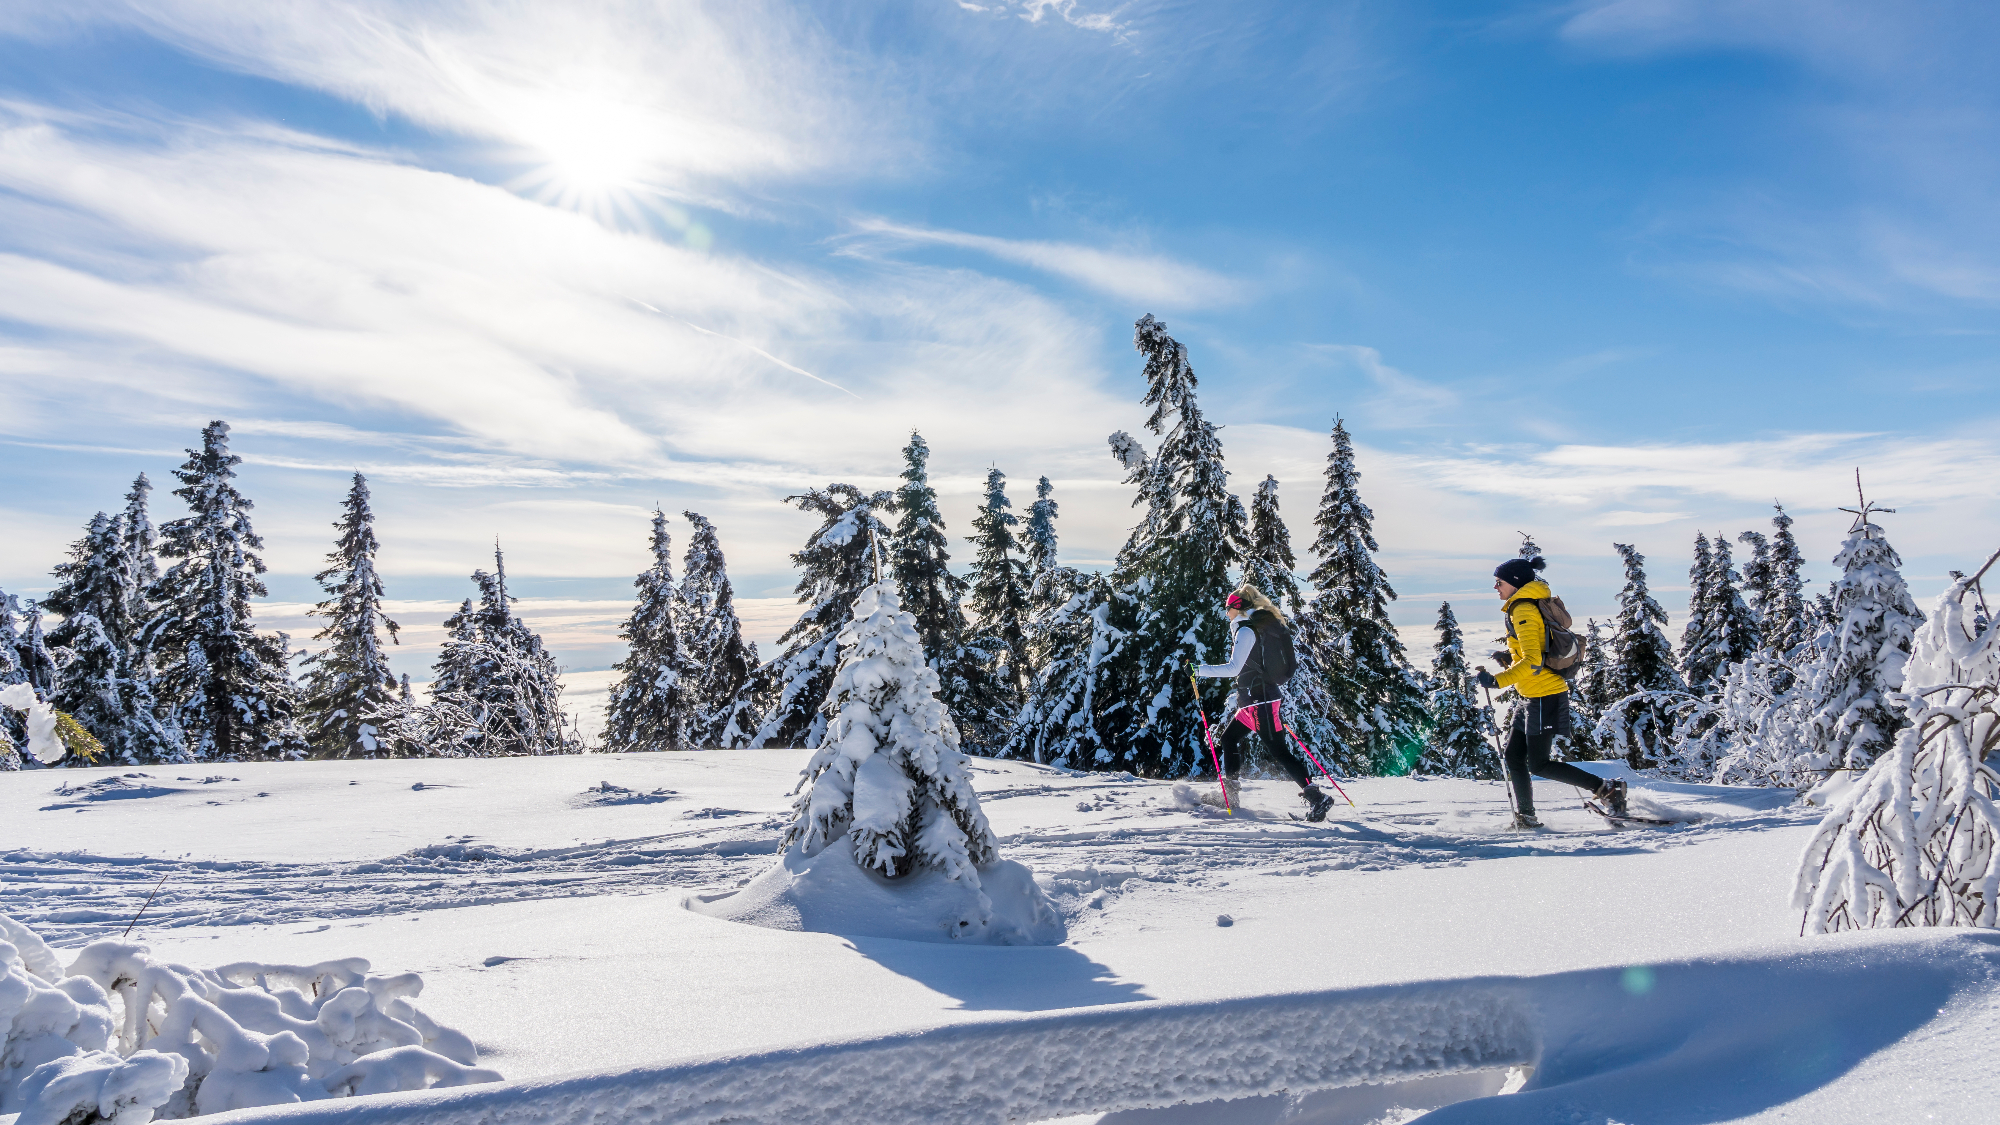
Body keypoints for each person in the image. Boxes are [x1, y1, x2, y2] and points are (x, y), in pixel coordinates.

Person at [1474, 556, 1628, 829]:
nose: (1496, 588)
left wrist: (1498, 681)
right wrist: (1510, 659)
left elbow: (1533, 661)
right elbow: (1537, 653)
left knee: (1540, 764)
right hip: (1532, 695)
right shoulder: (1527, 604)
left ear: (1515, 583)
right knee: (1513, 757)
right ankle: (1527, 816)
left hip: (1543, 695)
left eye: (1499, 582)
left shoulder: (1522, 609)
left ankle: (1607, 788)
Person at [1194, 585, 1337, 822]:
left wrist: (1200, 670)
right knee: (1229, 738)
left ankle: (1316, 797)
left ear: (1236, 608)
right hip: (1252, 701)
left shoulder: (1246, 631)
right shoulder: (1247, 629)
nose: (1226, 612)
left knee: (1279, 751)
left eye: (1227, 607)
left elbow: (1234, 668)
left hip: (1261, 699)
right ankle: (1230, 794)